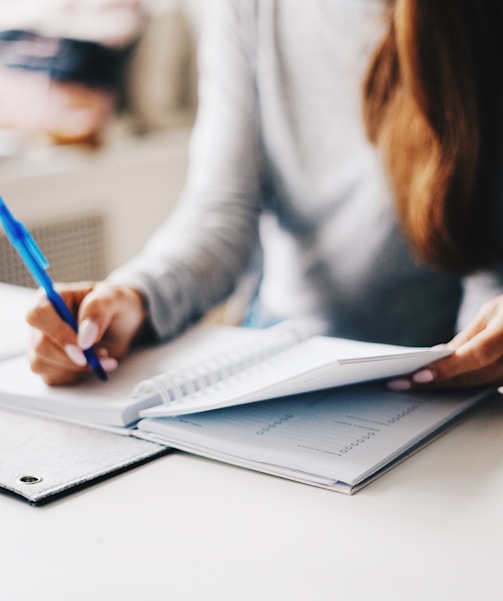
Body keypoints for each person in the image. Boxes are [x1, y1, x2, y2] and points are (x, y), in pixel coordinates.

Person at [27, 0, 503, 392]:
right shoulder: (251, 8)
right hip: (283, 367)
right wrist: (134, 297)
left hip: (449, 383)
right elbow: (223, 209)